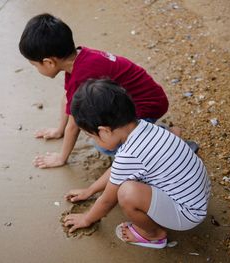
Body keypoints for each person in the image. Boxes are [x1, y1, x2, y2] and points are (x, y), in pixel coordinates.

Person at [63, 79, 211, 249]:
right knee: (130, 179)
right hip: (198, 194)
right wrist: (90, 191)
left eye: (92, 136)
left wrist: (87, 218)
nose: (93, 141)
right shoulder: (145, 127)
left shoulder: (129, 155)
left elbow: (107, 201)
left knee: (127, 193)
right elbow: (118, 169)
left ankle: (153, 235)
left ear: (104, 131)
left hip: (188, 213)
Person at [19, 13, 172, 168]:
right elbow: (68, 98)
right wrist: (59, 131)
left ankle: (157, 138)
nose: (36, 69)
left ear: (49, 62)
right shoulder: (79, 58)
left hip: (148, 105)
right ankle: (149, 134)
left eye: (35, 65)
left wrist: (61, 158)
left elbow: (74, 125)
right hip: (142, 98)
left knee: (105, 145)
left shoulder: (82, 75)